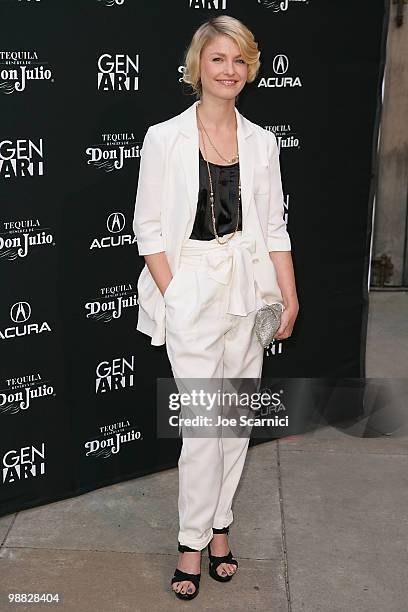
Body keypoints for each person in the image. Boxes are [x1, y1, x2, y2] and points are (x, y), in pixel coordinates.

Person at [133, 15, 299, 601]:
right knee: (205, 426)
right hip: (193, 282)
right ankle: (190, 542)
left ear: (249, 70)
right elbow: (148, 230)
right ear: (197, 67)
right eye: (218, 59)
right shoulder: (164, 138)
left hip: (249, 286)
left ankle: (220, 526)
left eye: (239, 60)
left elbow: (275, 227)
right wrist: (176, 293)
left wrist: (289, 293)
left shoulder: (262, 141)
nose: (229, 70)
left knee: (233, 421)